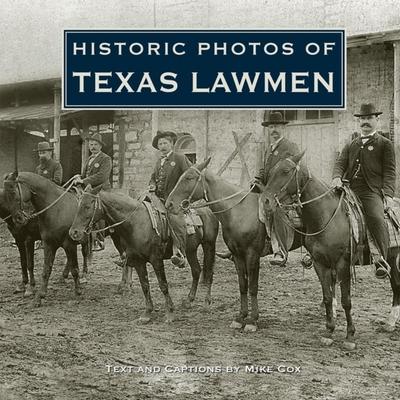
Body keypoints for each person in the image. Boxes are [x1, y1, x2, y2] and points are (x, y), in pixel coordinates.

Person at [218, 112, 300, 266]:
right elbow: (263, 170)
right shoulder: (268, 148)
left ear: (284, 128)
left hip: (283, 191)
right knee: (245, 202)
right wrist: (257, 180)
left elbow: (294, 171)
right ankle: (236, 245)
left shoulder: (290, 147)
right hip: (267, 189)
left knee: (274, 209)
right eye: (271, 127)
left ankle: (279, 250)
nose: (274, 130)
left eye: (277, 126)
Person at [331, 103, 396, 279]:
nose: (365, 122)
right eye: (362, 119)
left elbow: (390, 172)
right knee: (328, 210)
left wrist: (388, 195)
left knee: (375, 216)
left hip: (370, 191)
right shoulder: (352, 144)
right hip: (349, 189)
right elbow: (340, 163)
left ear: (377, 119)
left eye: (369, 118)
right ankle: (321, 251)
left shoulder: (385, 144)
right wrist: (336, 177)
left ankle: (381, 258)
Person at [148, 130, 192, 268]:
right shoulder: (158, 162)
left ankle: (179, 252)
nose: (162, 146)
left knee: (173, 218)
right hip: (158, 197)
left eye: (165, 143)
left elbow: (189, 176)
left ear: (171, 144)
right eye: (160, 143)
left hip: (175, 199)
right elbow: (153, 178)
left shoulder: (179, 158)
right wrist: (152, 185)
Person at [74, 133, 112, 250]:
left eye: (96, 144)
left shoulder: (105, 158)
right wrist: (78, 178)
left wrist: (83, 181)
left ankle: (99, 238)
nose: (93, 147)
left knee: (98, 209)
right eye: (91, 144)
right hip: (89, 190)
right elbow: (85, 174)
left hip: (101, 189)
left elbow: (102, 176)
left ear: (100, 146)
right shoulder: (89, 159)